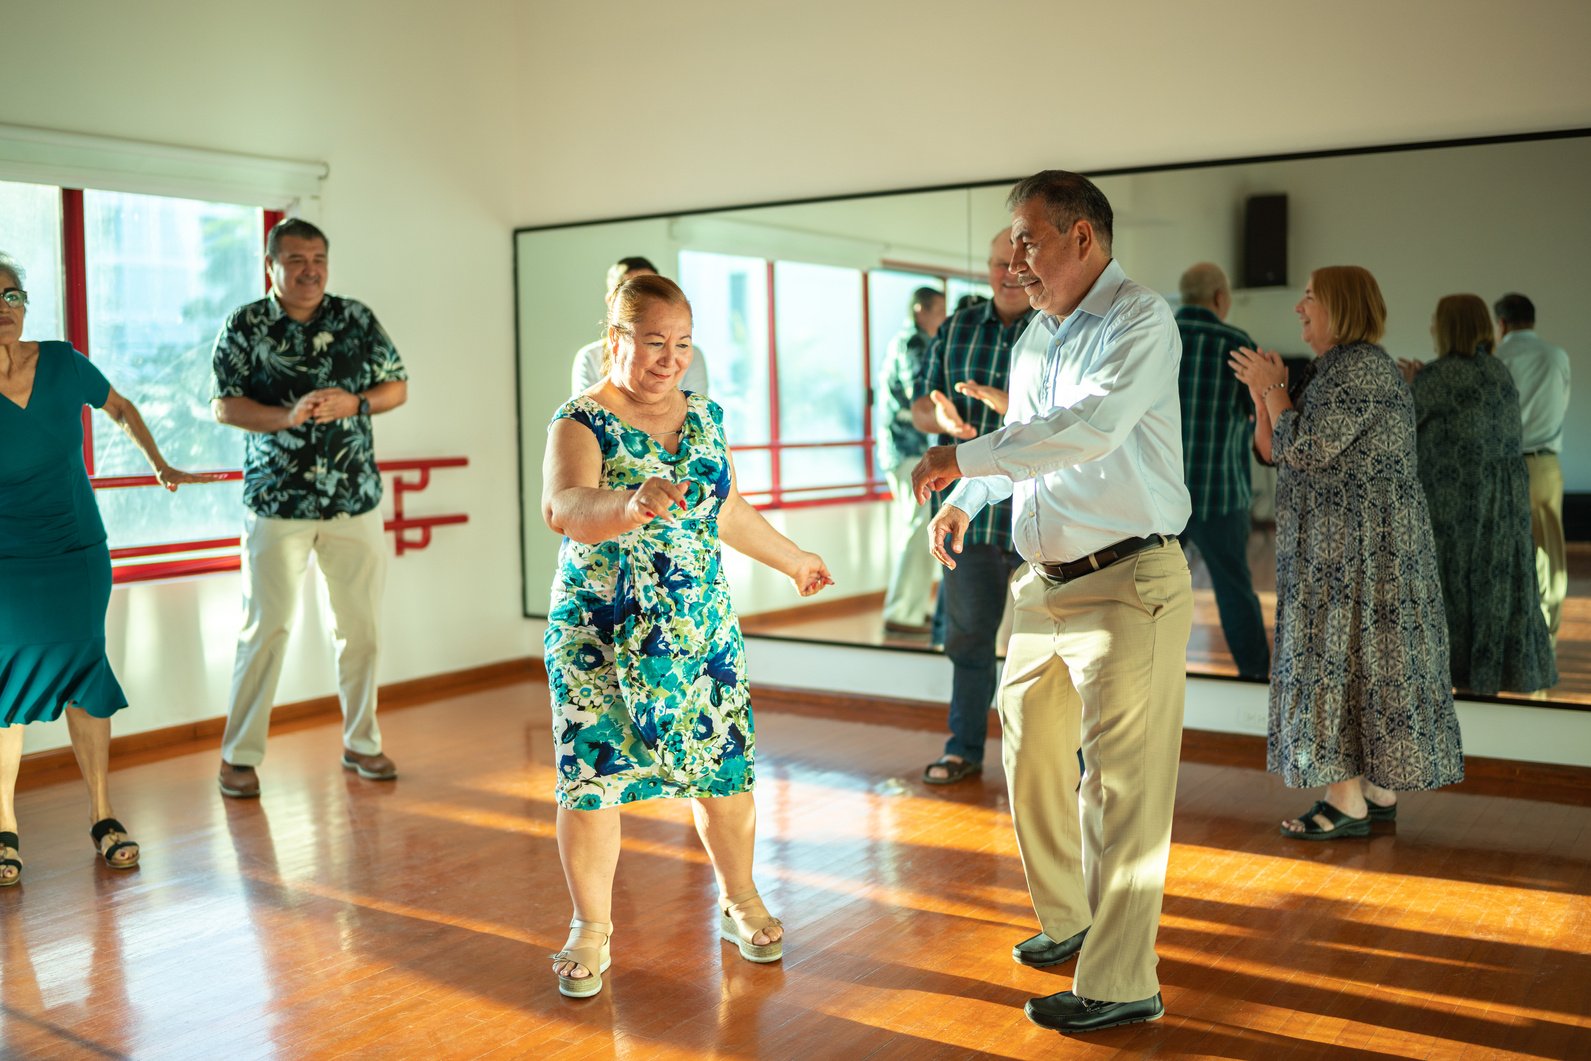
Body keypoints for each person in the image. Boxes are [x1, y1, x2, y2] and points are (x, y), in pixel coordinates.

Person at [912, 172, 1193, 1034]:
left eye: (1027, 241)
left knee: (1120, 790)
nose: (1014, 261)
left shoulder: (1140, 319)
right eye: (1011, 245)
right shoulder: (1035, 336)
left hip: (1127, 581)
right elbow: (1027, 454)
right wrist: (964, 500)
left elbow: (1091, 427)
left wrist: (962, 462)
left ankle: (1119, 981)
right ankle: (1070, 918)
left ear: (1081, 237)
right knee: (1032, 752)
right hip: (1045, 585)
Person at [541, 274, 832, 998]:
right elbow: (565, 505)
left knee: (722, 774)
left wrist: (793, 558)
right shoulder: (579, 419)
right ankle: (591, 928)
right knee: (591, 785)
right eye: (652, 342)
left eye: (681, 343)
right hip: (600, 633)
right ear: (615, 340)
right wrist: (628, 502)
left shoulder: (704, 416)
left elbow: (724, 508)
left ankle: (739, 899)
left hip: (697, 631)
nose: (669, 359)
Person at [0, 252, 219, 884]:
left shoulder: (63, 362)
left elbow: (118, 407)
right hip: (7, 562)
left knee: (84, 673)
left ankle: (102, 814)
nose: (2, 311)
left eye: (12, 297)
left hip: (76, 553)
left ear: (25, 304)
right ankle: (4, 827)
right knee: (4, 688)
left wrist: (160, 463)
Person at [1229, 267, 1463, 843]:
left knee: (1345, 663)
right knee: (1364, 664)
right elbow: (1273, 449)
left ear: (1341, 306)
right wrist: (1267, 392)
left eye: (1310, 298)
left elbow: (1305, 446)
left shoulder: (1360, 367)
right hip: (1340, 552)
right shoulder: (1333, 369)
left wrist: (1277, 391)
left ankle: (1346, 800)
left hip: (1358, 556)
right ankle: (1375, 791)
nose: (1299, 309)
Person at [210, 218, 409, 799]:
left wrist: (357, 402)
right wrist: (285, 417)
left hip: (354, 499)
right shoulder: (245, 324)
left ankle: (362, 743)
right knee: (265, 629)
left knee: (361, 629)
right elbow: (225, 407)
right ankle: (237, 758)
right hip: (278, 501)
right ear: (270, 264)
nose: (309, 269)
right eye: (295, 259)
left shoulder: (355, 318)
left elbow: (397, 386)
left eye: (318, 257)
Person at [909, 230, 1035, 785]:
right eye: (995, 263)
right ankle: (963, 748)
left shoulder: (1059, 329)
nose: (1006, 272)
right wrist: (942, 422)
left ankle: (1066, 768)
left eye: (1016, 262)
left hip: (1041, 514)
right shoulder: (958, 326)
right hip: (972, 517)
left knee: (1056, 655)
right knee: (967, 640)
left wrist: (1013, 412)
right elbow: (920, 405)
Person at [1399, 297, 1556, 694]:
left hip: (1451, 516)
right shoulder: (1498, 372)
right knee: (1490, 593)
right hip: (1500, 513)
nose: (1432, 329)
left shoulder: (1438, 379)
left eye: (1436, 322)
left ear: (1448, 327)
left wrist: (1413, 384)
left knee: (1451, 595)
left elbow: (1404, 427)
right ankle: (1488, 681)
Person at [1174, 262, 1269, 680]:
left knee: (1152, 594)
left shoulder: (1157, 338)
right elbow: (1259, 418)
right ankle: (1254, 679)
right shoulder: (1237, 345)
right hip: (1220, 493)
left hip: (1160, 497)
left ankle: (1151, 678)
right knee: (1234, 592)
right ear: (1218, 298)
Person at [1493, 293, 1571, 642]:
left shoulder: (1497, 358)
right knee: (1550, 553)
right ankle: (1547, 636)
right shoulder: (1557, 357)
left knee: (1506, 552)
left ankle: (1512, 637)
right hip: (1546, 464)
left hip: (1505, 464)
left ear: (1502, 324)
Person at [877, 286, 946, 635]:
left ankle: (911, 610)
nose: (943, 319)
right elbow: (919, 397)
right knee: (918, 528)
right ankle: (902, 612)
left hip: (906, 451)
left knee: (919, 528)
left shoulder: (911, 342)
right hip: (907, 450)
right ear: (922, 310)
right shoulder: (913, 344)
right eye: (939, 311)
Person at [569, 256, 709, 397]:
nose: (669, 361)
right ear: (612, 300)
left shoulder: (690, 362)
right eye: (655, 343)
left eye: (653, 290)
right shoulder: (590, 358)